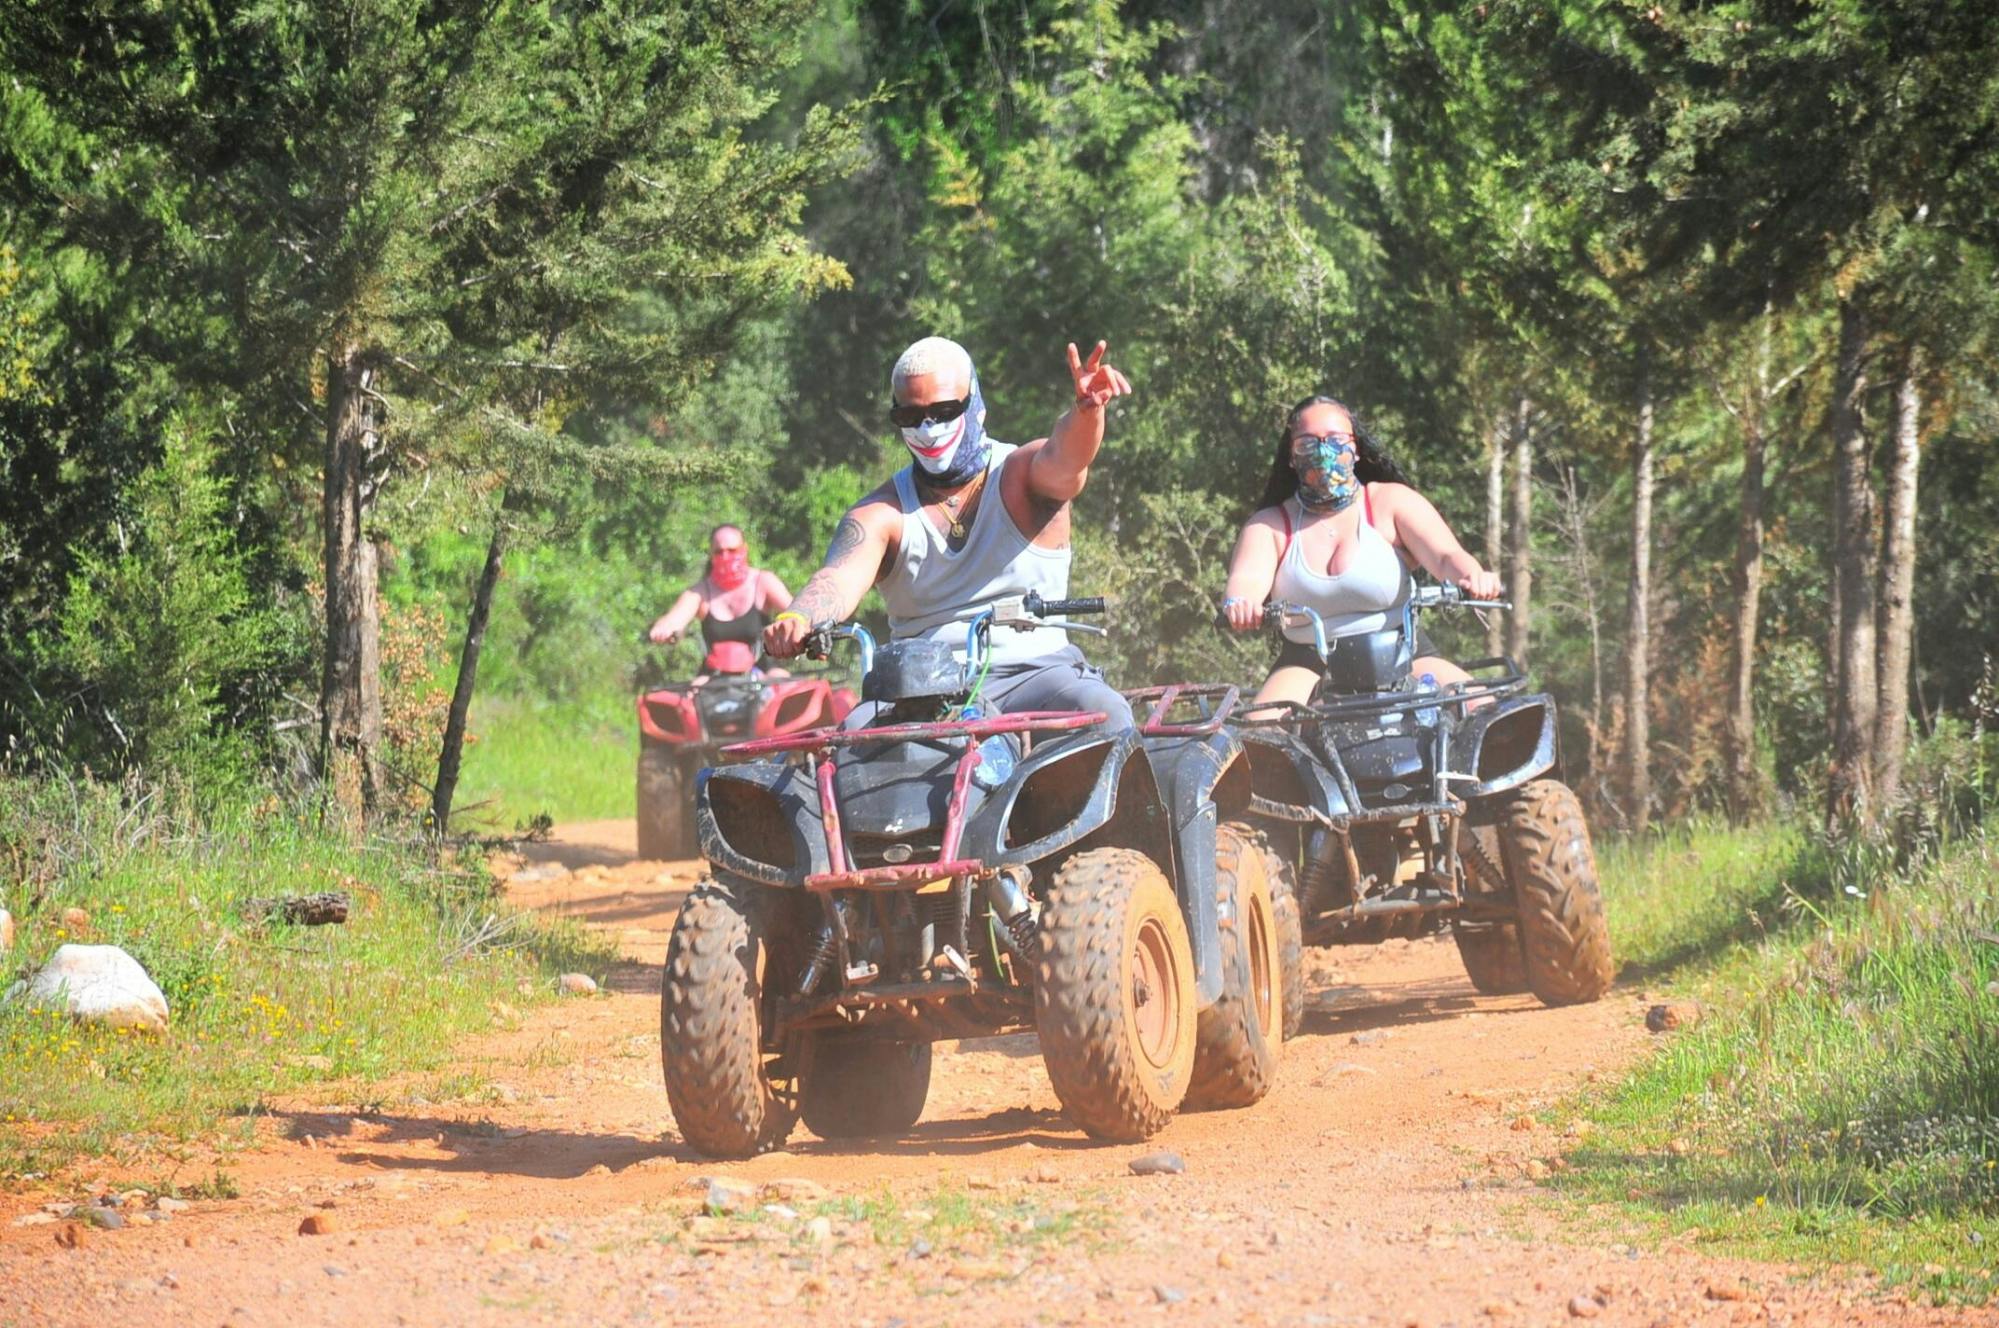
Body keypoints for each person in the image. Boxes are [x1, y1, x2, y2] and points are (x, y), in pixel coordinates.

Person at [763, 335, 1135, 728]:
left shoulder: (1021, 475)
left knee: (1104, 716)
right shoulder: (882, 512)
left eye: (943, 411)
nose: (927, 428)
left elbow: (1066, 459)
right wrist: (799, 618)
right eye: (910, 417)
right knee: (848, 745)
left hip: (1038, 674)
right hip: (917, 693)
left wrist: (1087, 412)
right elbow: (836, 578)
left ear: (974, 403)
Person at [1221, 394, 1502, 708]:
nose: (1324, 452)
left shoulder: (1390, 502)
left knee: (1487, 714)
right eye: (1307, 443)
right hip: (1308, 662)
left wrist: (1472, 575)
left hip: (1402, 651)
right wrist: (1241, 604)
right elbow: (1245, 580)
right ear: (1290, 455)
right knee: (1262, 738)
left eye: (1336, 439)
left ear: (1355, 449)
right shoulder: (1270, 525)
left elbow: (1446, 556)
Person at [648, 524, 793, 676]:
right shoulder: (700, 592)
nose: (725, 557)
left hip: (764, 673)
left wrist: (798, 628)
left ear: (744, 550)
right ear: (711, 555)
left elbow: (798, 612)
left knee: (787, 684)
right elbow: (675, 619)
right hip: (714, 678)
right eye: (719, 552)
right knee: (688, 695)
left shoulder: (763, 582)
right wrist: (663, 629)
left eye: (732, 551)